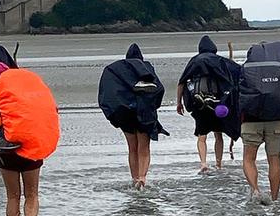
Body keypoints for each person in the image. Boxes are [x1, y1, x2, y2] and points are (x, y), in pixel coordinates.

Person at [0, 62, 59, 216]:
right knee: (31, 194)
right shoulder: (29, 90)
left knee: (12, 196)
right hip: (31, 146)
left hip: (6, 150)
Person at [238, 41, 280, 204]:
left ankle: (256, 190)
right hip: (276, 120)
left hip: (251, 121)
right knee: (274, 159)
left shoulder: (245, 70)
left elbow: (237, 94)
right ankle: (274, 198)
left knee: (248, 159)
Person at [98, 43, 169, 189]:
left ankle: (134, 178)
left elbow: (107, 92)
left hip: (124, 113)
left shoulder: (116, 70)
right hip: (144, 113)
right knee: (143, 147)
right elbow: (159, 89)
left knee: (132, 148)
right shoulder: (146, 67)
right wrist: (153, 106)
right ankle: (142, 178)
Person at [176, 36, 241, 173]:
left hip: (200, 104)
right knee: (219, 134)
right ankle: (218, 164)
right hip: (219, 104)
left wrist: (179, 103)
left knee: (202, 136)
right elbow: (235, 75)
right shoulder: (220, 60)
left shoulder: (194, 61)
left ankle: (203, 163)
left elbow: (181, 82)